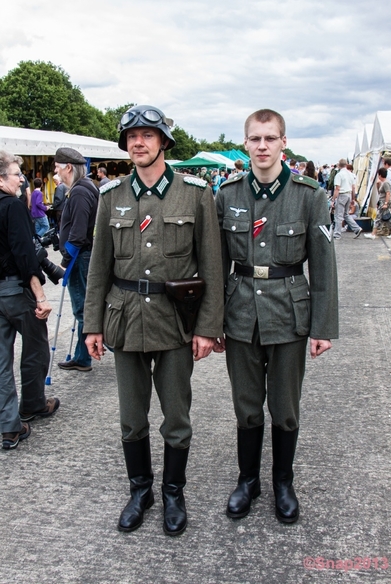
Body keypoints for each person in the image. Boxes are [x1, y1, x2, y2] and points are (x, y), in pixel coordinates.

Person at [83, 105, 224, 536]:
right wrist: (92, 324)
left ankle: (173, 492)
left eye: (147, 135)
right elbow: (98, 268)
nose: (138, 143)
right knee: (131, 416)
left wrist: (206, 327)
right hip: (124, 319)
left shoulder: (194, 193)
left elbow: (212, 266)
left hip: (175, 321)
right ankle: (140, 489)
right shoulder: (111, 196)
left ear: (163, 141)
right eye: (131, 136)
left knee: (177, 415)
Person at [214, 108, 338, 524]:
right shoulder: (228, 193)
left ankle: (283, 481)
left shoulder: (309, 195)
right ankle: (248, 480)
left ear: (284, 142)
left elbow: (323, 265)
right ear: (245, 143)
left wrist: (323, 326)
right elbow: (214, 264)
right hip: (240, 310)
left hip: (289, 312)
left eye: (271, 138)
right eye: (255, 139)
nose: (262, 146)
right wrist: (210, 322)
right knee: (246, 406)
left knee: (285, 407)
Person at [0, 151, 59, 450]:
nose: (21, 178)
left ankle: (10, 427)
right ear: (0, 179)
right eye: (14, 174)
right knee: (36, 347)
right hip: (15, 291)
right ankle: (33, 403)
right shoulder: (11, 206)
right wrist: (40, 296)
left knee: (1, 363)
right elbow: (25, 256)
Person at [55, 148, 99, 372]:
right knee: (83, 307)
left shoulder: (80, 191)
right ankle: (84, 357)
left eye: (57, 166)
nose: (56, 171)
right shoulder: (83, 188)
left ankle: (92, 354)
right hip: (81, 255)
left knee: (82, 308)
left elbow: (79, 232)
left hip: (79, 256)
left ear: (68, 167)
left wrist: (65, 258)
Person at [364, 168, 391, 239]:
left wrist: (385, 203)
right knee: (389, 217)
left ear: (380, 175)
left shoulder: (386, 183)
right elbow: (380, 193)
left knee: (378, 217)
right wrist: (378, 184)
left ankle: (373, 233)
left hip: (384, 202)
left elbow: (388, 193)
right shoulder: (384, 183)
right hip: (383, 201)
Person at [331, 159, 362, 239]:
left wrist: (333, 200)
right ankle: (357, 228)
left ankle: (337, 233)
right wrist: (353, 198)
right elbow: (353, 187)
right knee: (346, 214)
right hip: (349, 194)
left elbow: (337, 188)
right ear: (346, 164)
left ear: (338, 165)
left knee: (338, 215)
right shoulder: (351, 174)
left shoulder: (339, 175)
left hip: (342, 194)